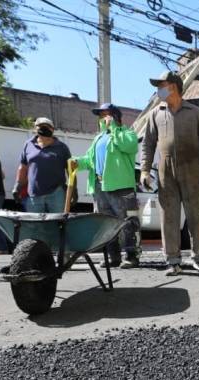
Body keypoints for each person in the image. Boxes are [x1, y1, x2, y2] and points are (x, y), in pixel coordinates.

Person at [140, 71, 199, 276]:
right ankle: (173, 260)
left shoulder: (195, 112)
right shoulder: (156, 113)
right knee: (169, 217)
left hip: (192, 167)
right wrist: (145, 170)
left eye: (161, 85)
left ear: (173, 86)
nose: (158, 90)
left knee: (195, 216)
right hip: (165, 170)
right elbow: (147, 144)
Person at [70, 103, 141, 268]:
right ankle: (113, 257)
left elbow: (130, 146)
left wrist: (115, 128)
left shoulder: (127, 133)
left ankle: (131, 256)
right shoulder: (98, 138)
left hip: (121, 186)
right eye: (100, 115)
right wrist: (77, 162)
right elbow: (90, 160)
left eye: (106, 114)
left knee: (128, 222)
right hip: (100, 186)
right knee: (106, 223)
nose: (103, 118)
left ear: (115, 116)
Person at [15, 117, 71, 213]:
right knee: (35, 225)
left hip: (56, 193)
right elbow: (23, 167)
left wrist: (73, 190)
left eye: (47, 127)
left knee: (58, 223)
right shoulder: (28, 145)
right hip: (34, 194)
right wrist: (17, 185)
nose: (44, 129)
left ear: (52, 130)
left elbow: (70, 170)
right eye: (40, 126)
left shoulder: (62, 147)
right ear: (35, 129)